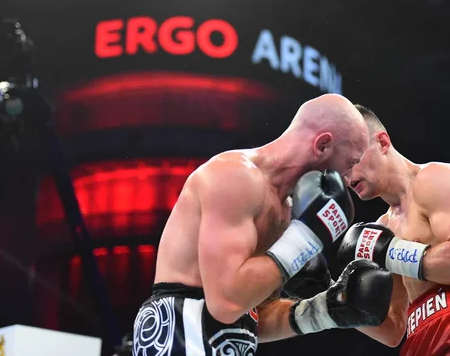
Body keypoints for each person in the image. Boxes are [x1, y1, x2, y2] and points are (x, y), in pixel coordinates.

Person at [132, 94, 394, 356]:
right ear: (323, 145)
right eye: (349, 163)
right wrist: (305, 239)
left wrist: (326, 309)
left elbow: (253, 314)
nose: (347, 179)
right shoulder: (235, 177)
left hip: (226, 341)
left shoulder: (285, 211)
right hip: (180, 329)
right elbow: (225, 303)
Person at [334, 104, 450, 355]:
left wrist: (389, 252)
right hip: (419, 341)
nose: (346, 177)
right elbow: (393, 329)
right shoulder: (382, 228)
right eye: (340, 169)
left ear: (382, 142)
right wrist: (334, 300)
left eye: (352, 161)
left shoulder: (437, 178)